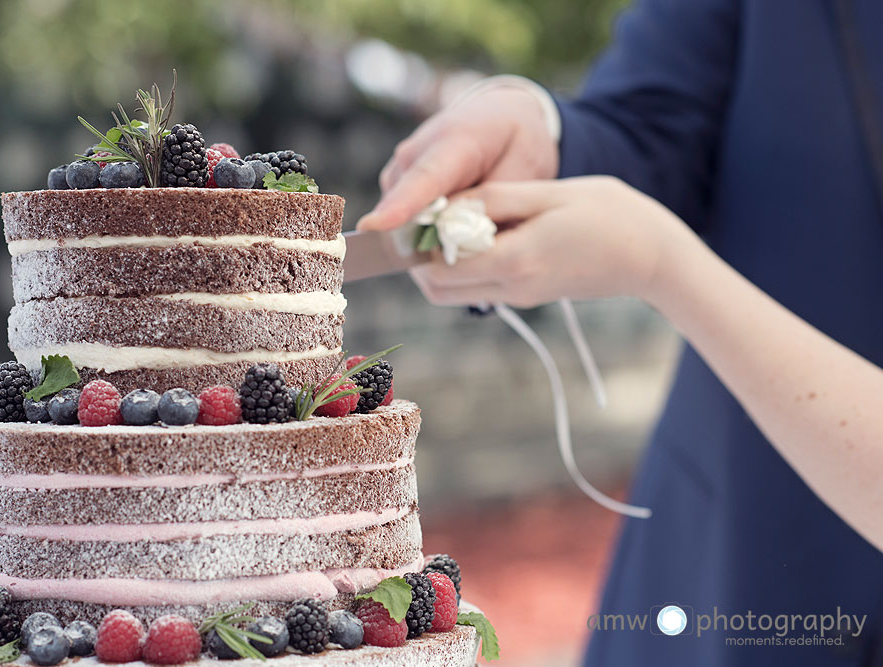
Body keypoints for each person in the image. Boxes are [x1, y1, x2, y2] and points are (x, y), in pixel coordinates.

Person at [360, 1, 883, 664]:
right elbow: (655, 121)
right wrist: (541, 135)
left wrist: (665, 266)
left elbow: (653, 249)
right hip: (727, 560)